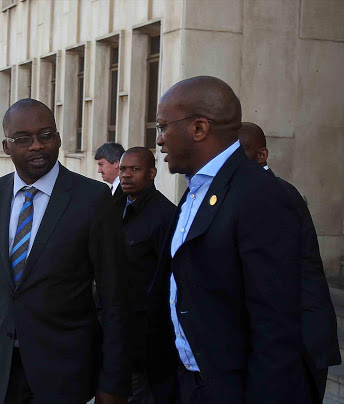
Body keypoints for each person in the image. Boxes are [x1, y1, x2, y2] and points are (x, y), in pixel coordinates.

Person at [0, 99, 130, 404]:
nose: (37, 146)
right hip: (6, 372)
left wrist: (113, 380)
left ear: (58, 139)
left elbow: (115, 297)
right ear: (6, 147)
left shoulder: (93, 199)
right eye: (23, 139)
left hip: (67, 372)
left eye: (46, 135)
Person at [151, 76, 311, 404]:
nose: (159, 141)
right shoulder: (197, 189)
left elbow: (275, 324)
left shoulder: (260, 194)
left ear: (199, 128)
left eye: (163, 127)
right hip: (187, 381)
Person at [239, 121, 341, 402]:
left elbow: (274, 280)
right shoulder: (250, 192)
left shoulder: (273, 195)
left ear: (262, 156)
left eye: (240, 153)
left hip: (296, 347)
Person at [116, 147, 176, 404]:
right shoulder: (112, 206)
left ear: (152, 173)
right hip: (112, 329)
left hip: (144, 338)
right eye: (122, 169)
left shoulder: (165, 216)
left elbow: (167, 282)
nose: (126, 175)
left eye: (134, 169)